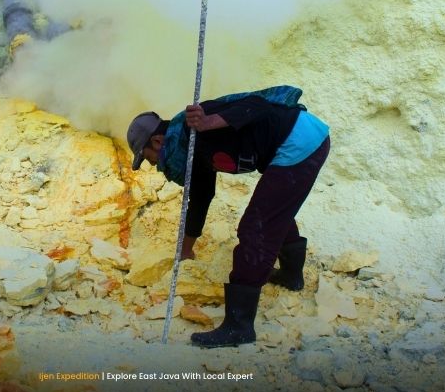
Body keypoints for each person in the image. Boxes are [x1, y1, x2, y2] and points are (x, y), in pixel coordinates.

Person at [127, 86, 330, 348]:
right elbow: (201, 196)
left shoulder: (195, 125)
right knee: (272, 210)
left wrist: (209, 122)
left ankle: (239, 326)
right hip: (291, 144)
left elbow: (259, 105)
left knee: (255, 228)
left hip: (300, 141)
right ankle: (291, 276)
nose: (154, 165)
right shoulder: (191, 151)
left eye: (148, 159)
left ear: (156, 142)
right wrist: (186, 250)